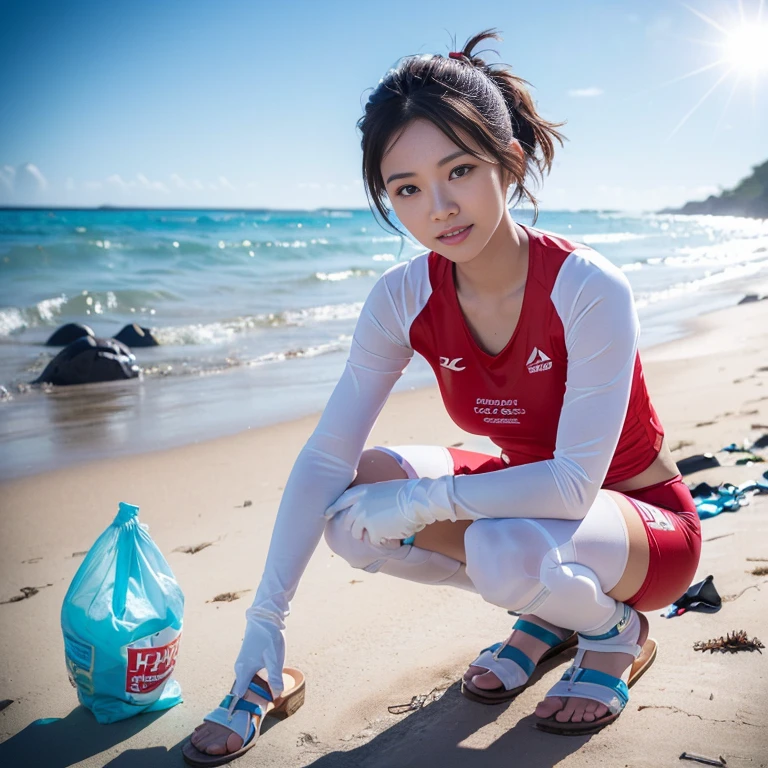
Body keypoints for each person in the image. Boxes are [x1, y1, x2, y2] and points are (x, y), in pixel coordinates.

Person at [183, 28, 702, 763]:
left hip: (647, 532)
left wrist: (427, 502)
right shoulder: (401, 298)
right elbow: (328, 453)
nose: (439, 207)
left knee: (497, 543)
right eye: (407, 188)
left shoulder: (588, 286)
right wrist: (266, 620)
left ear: (509, 162)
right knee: (357, 506)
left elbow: (570, 483)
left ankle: (613, 632)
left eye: (459, 169)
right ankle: (548, 611)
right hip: (531, 521)